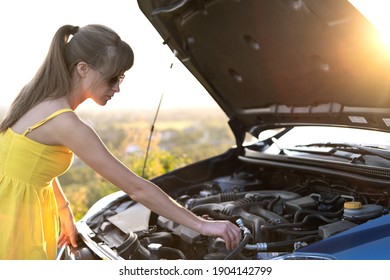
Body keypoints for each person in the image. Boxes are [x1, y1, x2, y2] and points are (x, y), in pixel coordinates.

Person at [0, 24, 241, 260]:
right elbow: (136, 188)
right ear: (83, 68)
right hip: (14, 223)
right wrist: (203, 226)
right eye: (112, 78)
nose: (117, 88)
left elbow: (33, 167)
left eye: (121, 77)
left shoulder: (36, 98)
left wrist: (65, 211)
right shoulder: (66, 123)